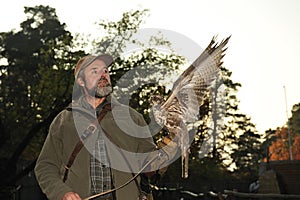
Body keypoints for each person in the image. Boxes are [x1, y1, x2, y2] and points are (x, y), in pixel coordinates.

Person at [34, 54, 177, 200]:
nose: (103, 75)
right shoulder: (63, 121)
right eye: (95, 71)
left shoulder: (132, 117)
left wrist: (167, 150)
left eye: (105, 71)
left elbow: (149, 169)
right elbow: (45, 166)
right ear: (81, 81)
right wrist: (62, 193)